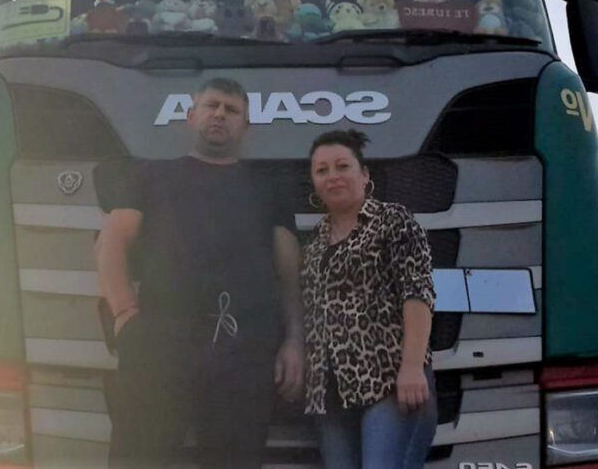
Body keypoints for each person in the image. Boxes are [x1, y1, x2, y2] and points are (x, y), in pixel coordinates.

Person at [94, 77, 304, 469]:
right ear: (191, 117)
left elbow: (290, 271)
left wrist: (294, 340)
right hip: (158, 343)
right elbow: (111, 242)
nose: (220, 115)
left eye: (232, 110)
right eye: (212, 106)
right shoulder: (151, 175)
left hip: (244, 355)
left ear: (246, 126)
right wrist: (125, 314)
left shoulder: (268, 187)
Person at [300, 130, 437, 469]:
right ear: (314, 182)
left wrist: (412, 366)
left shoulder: (393, 220)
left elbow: (417, 292)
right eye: (322, 170)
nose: (332, 176)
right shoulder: (315, 241)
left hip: (389, 382)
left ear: (364, 174)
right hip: (329, 394)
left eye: (342, 166)